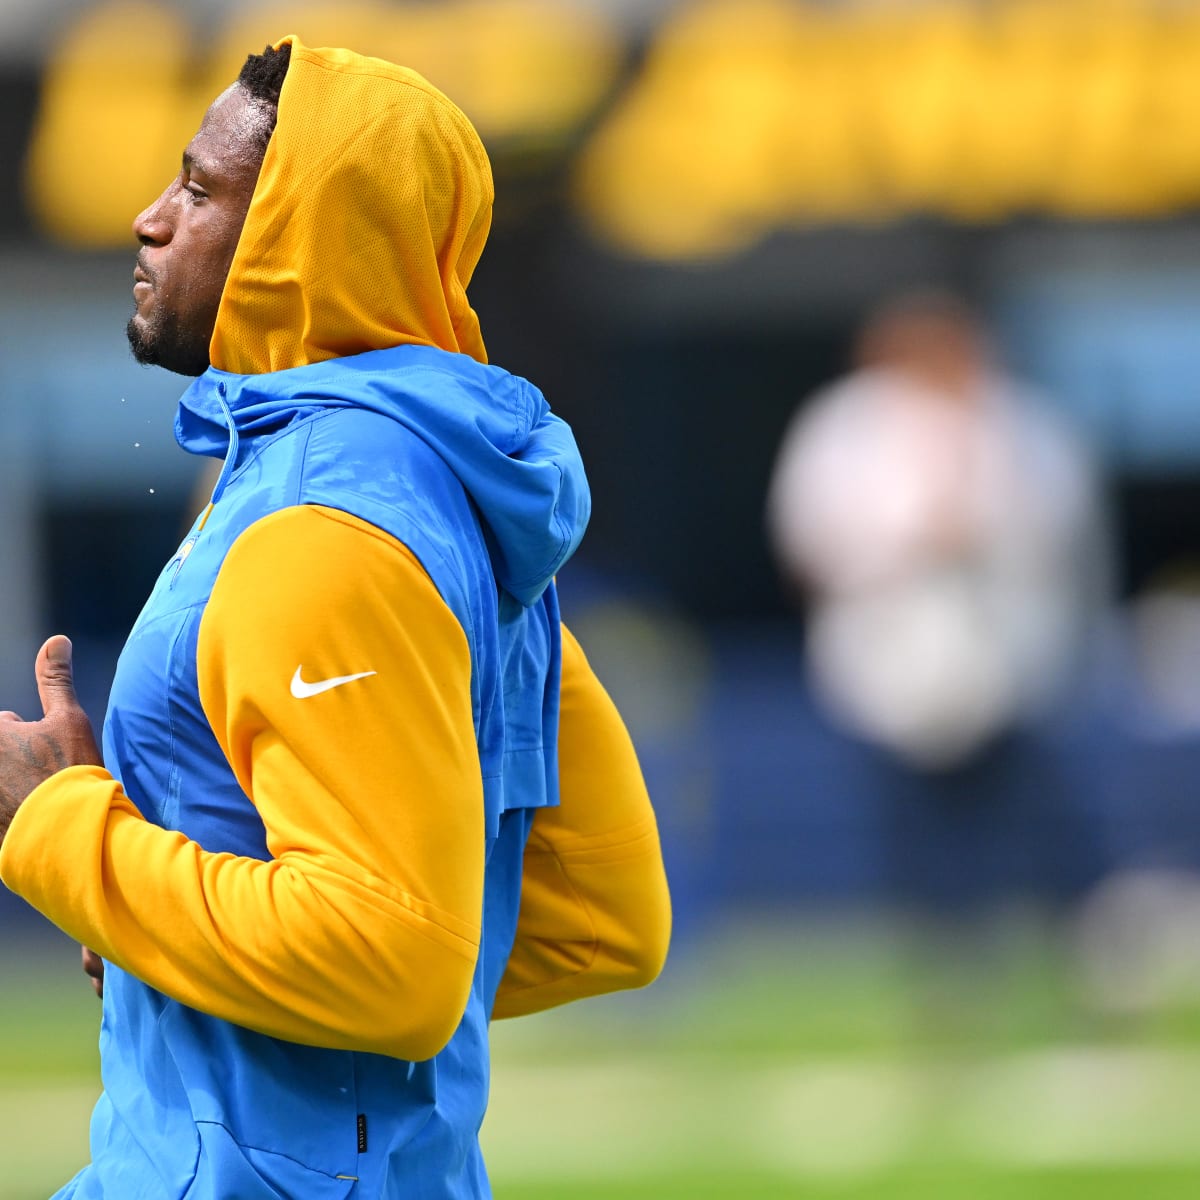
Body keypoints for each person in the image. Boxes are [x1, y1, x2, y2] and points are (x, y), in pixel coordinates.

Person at [0, 37, 670, 1199]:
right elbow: (596, 917)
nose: (150, 221)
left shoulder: (318, 533)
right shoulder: (450, 501)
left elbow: (393, 961)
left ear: (293, 242)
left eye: (200, 191)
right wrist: (180, 943)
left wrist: (62, 832)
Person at [767, 291, 1110, 770]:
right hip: (873, 666)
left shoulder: (1026, 421)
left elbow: (1065, 539)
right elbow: (807, 546)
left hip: (1021, 677)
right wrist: (911, 541)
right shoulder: (844, 423)